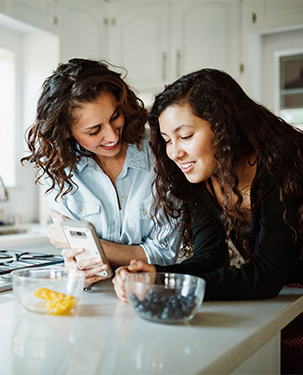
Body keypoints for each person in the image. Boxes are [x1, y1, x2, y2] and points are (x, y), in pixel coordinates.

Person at [111, 68, 303, 373]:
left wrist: (164, 285)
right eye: (166, 140)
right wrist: (153, 275)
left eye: (185, 136)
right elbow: (209, 258)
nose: (174, 152)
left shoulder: (283, 165)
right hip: (287, 298)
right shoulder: (200, 178)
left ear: (226, 127)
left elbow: (265, 276)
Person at [21, 58, 182, 288]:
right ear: (67, 131)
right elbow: (78, 254)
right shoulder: (59, 169)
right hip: (93, 296)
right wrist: (77, 266)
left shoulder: (161, 151)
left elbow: (165, 253)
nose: (113, 136)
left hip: (151, 293)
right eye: (95, 130)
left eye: (115, 116)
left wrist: (97, 247)